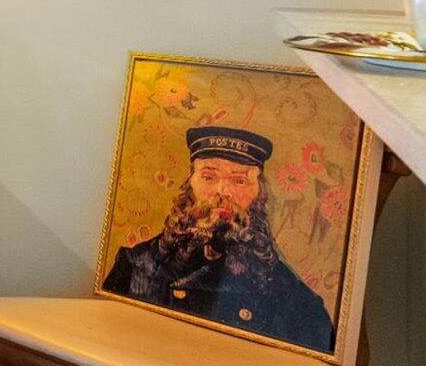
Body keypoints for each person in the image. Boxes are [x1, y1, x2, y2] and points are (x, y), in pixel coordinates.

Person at [99, 125, 335, 353]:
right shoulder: (136, 265)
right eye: (209, 177)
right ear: (189, 183)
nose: (223, 192)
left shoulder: (289, 296)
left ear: (259, 193)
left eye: (239, 181)